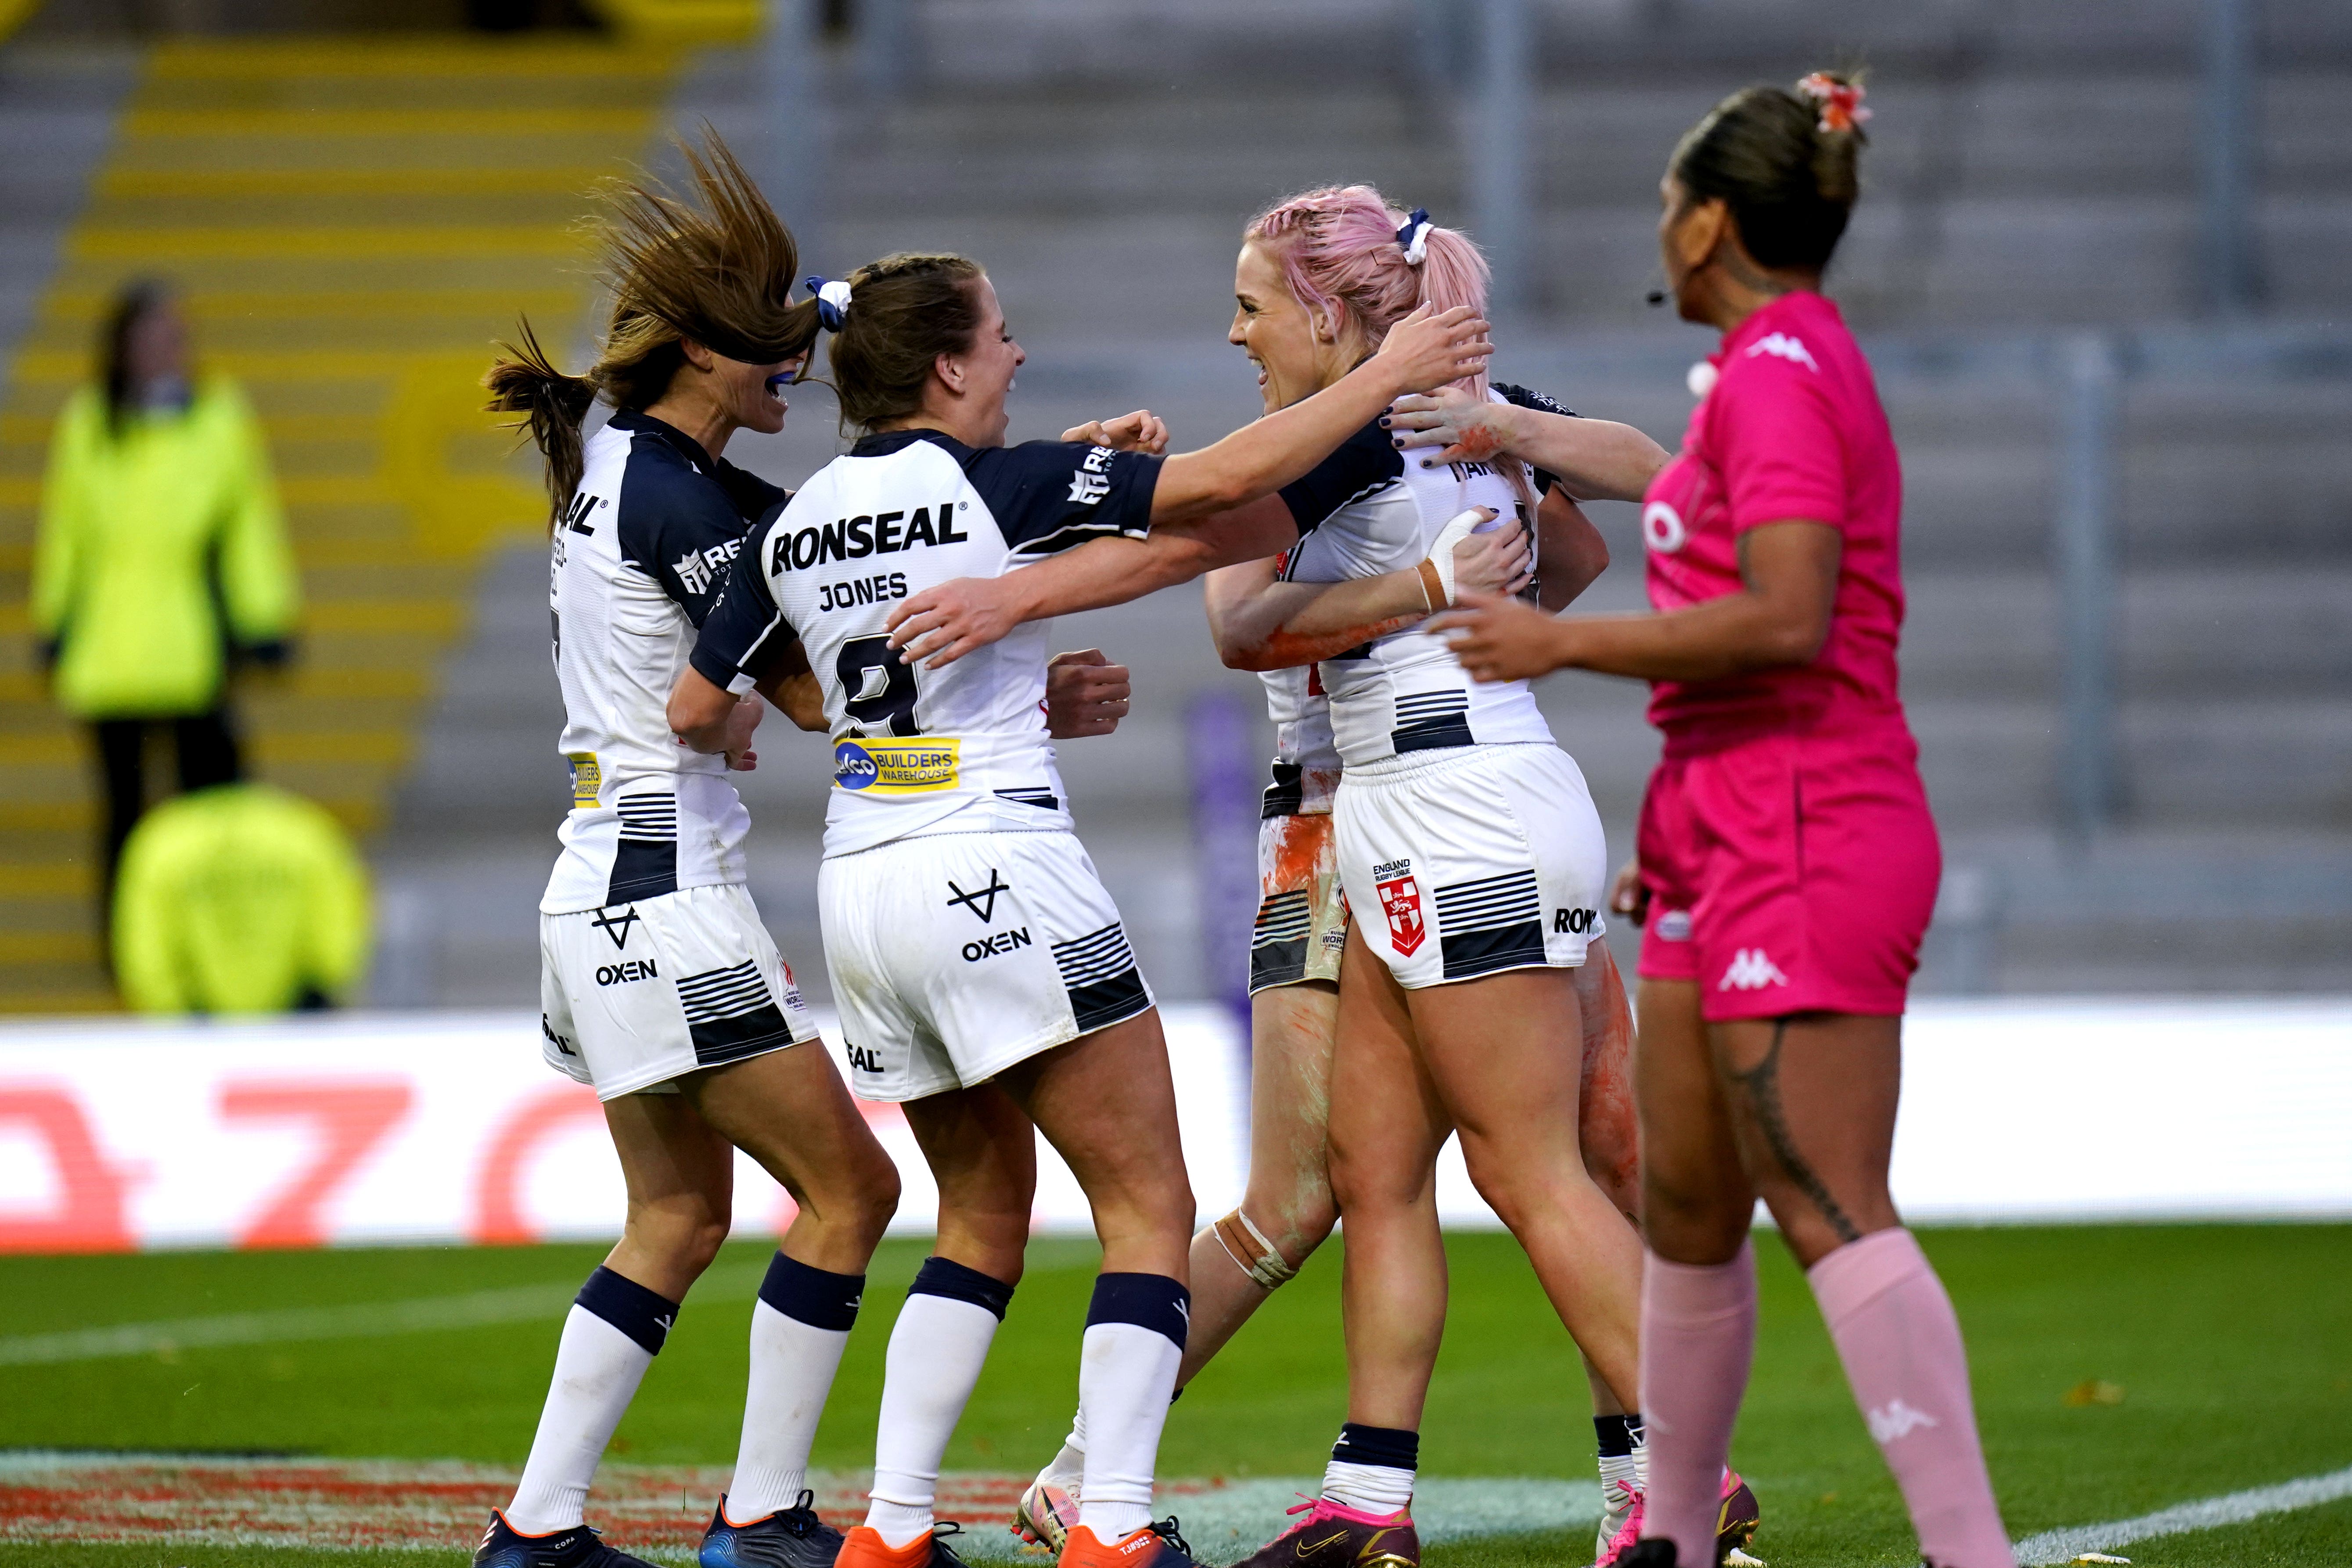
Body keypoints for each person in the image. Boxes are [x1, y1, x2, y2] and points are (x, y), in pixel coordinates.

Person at [874, 187, 1758, 1568]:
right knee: (1423, 1168)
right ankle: (1393, 1489)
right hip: (1433, 801)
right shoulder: (1440, 416)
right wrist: (1482, 574)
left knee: (1471, 1174)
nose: (1233, 330)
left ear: (1330, 309)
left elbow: (1211, 583)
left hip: (1409, 811)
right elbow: (1601, 517)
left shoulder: (1350, 437)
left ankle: (1658, 1478)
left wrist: (1015, 595)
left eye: (1249, 304)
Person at [669, 250, 1492, 1568]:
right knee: (1147, 1204)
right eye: (1000, 334)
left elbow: (698, 709)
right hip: (992, 865)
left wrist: (964, 692)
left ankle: (889, 1529)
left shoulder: (793, 521)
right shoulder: (1000, 484)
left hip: (861, 888)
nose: (1016, 353)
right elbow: (1223, 489)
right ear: (945, 364)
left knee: (980, 1212)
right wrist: (1392, 371)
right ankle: (1109, 1525)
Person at [1424, 76, 2016, 1568]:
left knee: (1822, 1198)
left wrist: (1559, 644)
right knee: (1687, 1209)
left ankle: (1970, 1555)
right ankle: (1670, 1543)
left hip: (1812, 815)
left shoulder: (1776, 378)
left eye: (1662, 215)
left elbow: (1787, 616)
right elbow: (1674, 488)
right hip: (1723, 821)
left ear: (1703, 221)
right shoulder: (1764, 369)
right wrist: (1506, 424)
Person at [475, 134, 904, 1568]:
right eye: (774, 348)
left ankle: (535, 1531)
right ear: (702, 355)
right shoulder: (680, 500)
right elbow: (784, 687)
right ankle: (762, 1519)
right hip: (665, 890)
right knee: (854, 1192)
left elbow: (812, 547)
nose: (792, 370)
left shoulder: (626, 465)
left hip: (595, 884)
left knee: (672, 1214)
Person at [31, 280, 299, 945]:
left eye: (176, 338)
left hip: (191, 647)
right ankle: (130, 951)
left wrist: (263, 617)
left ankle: (207, 940)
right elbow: (66, 532)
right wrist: (55, 620)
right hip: (112, 651)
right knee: (124, 818)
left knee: (209, 813)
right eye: (153, 338)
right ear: (122, 349)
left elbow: (246, 526)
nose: (167, 351)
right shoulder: (90, 423)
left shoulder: (216, 417)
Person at [111, 781, 369, 1014]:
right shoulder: (301, 829)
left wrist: (173, 1006)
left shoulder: (162, 839)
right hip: (298, 1015)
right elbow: (337, 913)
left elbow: (145, 938)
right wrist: (322, 986)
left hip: (198, 1025)